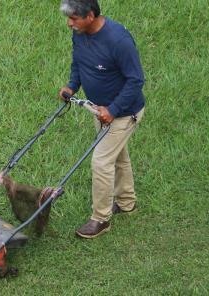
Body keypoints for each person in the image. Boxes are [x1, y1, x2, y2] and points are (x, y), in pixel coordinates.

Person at [58, 0, 146, 238]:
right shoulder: (80, 33)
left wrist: (114, 109)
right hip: (100, 110)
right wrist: (72, 86)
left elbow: (136, 80)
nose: (69, 23)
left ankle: (101, 219)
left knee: (101, 162)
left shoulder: (118, 41)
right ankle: (127, 203)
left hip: (123, 113)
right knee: (118, 157)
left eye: (74, 18)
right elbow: (79, 62)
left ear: (90, 16)